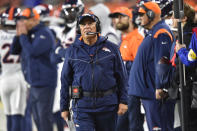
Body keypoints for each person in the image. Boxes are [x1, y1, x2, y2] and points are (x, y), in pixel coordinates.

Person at [60, 13, 128, 131]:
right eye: (83, 24)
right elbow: (66, 80)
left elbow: (122, 77)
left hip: (108, 106)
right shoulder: (72, 51)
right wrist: (64, 106)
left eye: (90, 23)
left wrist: (124, 101)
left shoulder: (112, 48)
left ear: (96, 26)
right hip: (82, 107)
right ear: (79, 28)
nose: (87, 27)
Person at [128, 2, 176, 131]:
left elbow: (163, 61)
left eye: (142, 14)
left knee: (160, 128)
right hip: (149, 93)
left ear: (151, 14)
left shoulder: (161, 32)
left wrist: (160, 87)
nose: (139, 17)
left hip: (156, 95)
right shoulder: (153, 32)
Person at [12, 8, 57, 131]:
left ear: (34, 19)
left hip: (45, 83)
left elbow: (33, 51)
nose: (22, 23)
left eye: (24, 19)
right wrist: (18, 35)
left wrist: (22, 36)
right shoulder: (28, 34)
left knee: (44, 119)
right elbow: (14, 51)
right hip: (33, 83)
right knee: (37, 119)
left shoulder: (44, 33)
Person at [109, 6, 144, 131]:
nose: (117, 20)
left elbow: (139, 69)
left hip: (132, 93)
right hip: (122, 92)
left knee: (132, 127)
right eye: (115, 18)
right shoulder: (124, 39)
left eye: (120, 17)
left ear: (130, 18)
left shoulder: (136, 39)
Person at [0, 7, 27, 131]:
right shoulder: (22, 37)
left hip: (3, 79)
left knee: (8, 115)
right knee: (17, 115)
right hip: (18, 78)